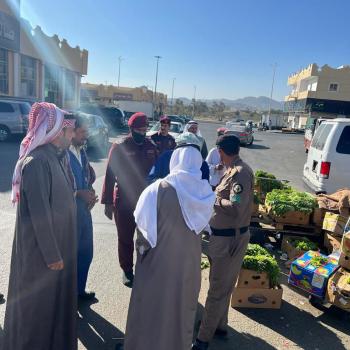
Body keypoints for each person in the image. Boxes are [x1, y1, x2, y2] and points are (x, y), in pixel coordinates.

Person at [124, 146, 216, 350]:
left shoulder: (156, 189)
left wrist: (141, 254)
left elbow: (143, 229)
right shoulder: (204, 193)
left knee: (151, 306)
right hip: (188, 265)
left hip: (158, 261)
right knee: (180, 309)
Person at [4, 102, 77, 350]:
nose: (72, 135)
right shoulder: (37, 162)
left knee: (54, 309)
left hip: (58, 249)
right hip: (42, 255)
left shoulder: (57, 158)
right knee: (37, 311)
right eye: (69, 131)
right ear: (57, 132)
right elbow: (39, 214)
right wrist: (52, 254)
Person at [192, 134, 254, 350]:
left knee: (217, 290)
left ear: (221, 151)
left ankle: (203, 338)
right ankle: (219, 325)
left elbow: (236, 207)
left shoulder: (241, 173)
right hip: (222, 238)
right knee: (222, 286)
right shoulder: (231, 170)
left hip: (230, 240)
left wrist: (214, 198)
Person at [101, 112, 157, 287]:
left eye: (145, 129)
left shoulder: (151, 145)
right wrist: (108, 202)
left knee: (146, 237)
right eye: (139, 129)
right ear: (131, 129)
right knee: (125, 237)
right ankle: (126, 270)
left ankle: (144, 268)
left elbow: (159, 173)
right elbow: (110, 175)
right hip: (124, 201)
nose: (143, 132)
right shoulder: (120, 147)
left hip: (145, 201)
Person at [68, 116, 98, 300]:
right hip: (69, 214)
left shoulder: (82, 151)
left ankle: (79, 291)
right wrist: (78, 193)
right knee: (70, 255)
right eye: (83, 132)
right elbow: (57, 185)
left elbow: (86, 175)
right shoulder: (62, 153)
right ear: (72, 131)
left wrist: (90, 192)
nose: (86, 136)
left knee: (86, 252)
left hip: (84, 213)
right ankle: (68, 296)